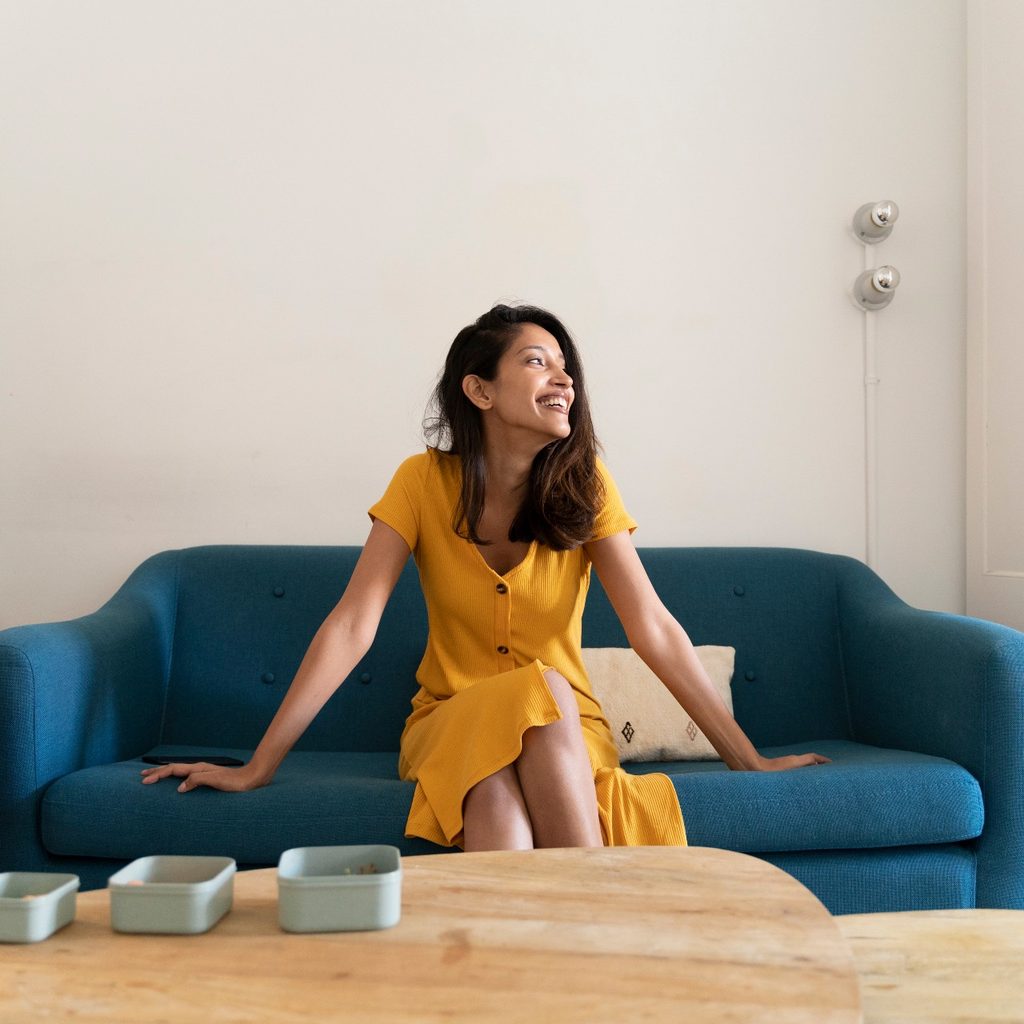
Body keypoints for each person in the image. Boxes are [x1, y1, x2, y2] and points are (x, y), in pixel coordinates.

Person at [141, 303, 830, 850]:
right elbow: (353, 624)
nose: (564, 379)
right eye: (537, 362)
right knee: (537, 696)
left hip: (566, 729)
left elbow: (652, 628)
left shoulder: (587, 487)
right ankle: (600, 948)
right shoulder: (421, 482)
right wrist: (260, 764)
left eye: (566, 367)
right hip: (449, 720)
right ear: (480, 389)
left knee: (502, 791)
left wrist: (749, 761)